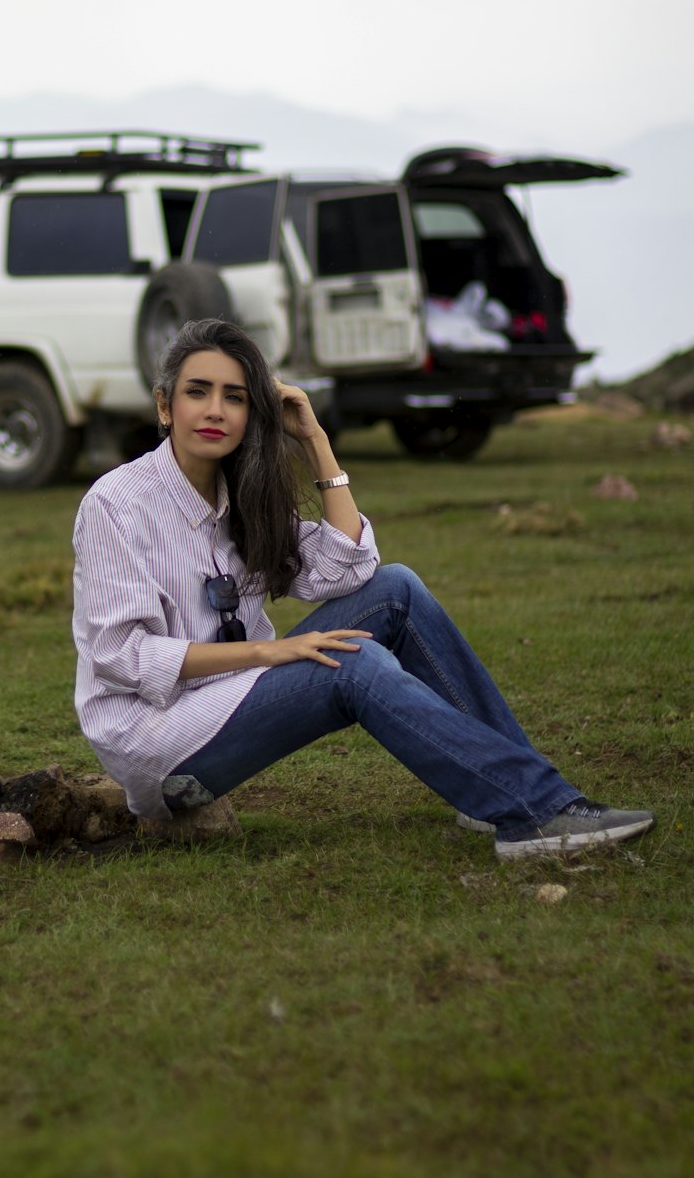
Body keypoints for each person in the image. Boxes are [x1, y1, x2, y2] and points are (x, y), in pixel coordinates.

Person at [72, 318, 655, 861]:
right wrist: (267, 652)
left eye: (236, 396)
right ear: (164, 405)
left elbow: (349, 570)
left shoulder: (239, 497)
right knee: (352, 664)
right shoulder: (116, 505)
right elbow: (123, 657)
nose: (215, 410)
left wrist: (316, 439)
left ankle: (522, 791)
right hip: (157, 743)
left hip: (233, 698)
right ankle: (532, 812)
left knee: (395, 588)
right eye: (198, 391)